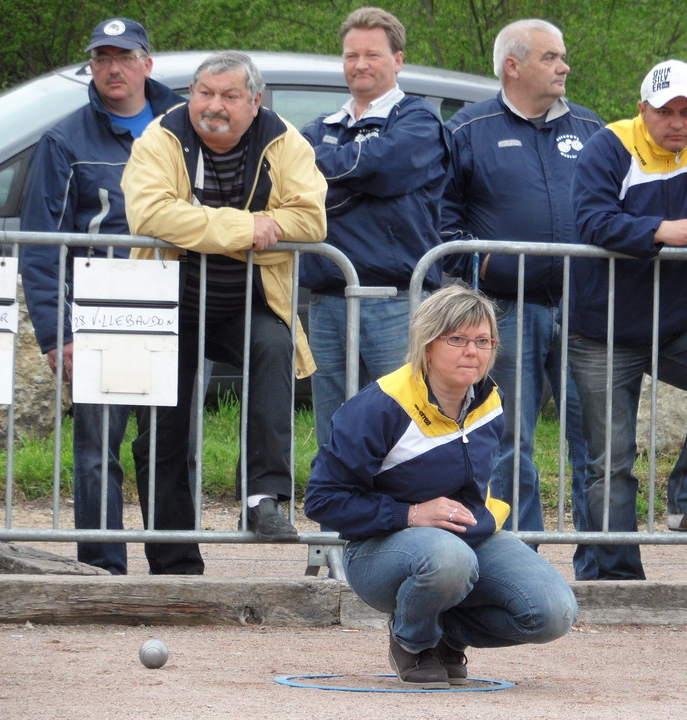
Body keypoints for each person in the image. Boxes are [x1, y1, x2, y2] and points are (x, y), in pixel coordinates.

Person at [304, 285, 577, 689]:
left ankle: (445, 634)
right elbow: (322, 500)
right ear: (427, 345)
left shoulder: (490, 401)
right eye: (458, 340)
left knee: (554, 613)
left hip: (470, 538)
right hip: (380, 549)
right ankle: (412, 642)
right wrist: (411, 514)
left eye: (483, 341)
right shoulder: (380, 406)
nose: (473, 351)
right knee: (450, 558)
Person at [121, 51, 327, 572]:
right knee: (162, 433)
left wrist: (198, 228)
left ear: (255, 102)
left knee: (275, 347)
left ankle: (263, 497)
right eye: (205, 93)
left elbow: (310, 221)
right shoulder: (160, 138)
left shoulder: (284, 141)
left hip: (248, 303)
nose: (214, 105)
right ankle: (174, 564)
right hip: (168, 304)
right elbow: (149, 214)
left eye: (230, 96)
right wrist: (248, 229)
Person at [569, 59, 687, 580]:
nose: (676, 122)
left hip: (677, 325)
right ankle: (616, 580)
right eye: (664, 111)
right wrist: (660, 231)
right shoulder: (609, 146)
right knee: (611, 461)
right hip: (601, 332)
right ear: (642, 110)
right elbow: (589, 219)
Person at [19, 18, 183, 575]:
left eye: (125, 57)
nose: (114, 68)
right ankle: (101, 569)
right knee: (96, 452)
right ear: (91, 67)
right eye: (102, 58)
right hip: (99, 319)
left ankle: (175, 567)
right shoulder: (63, 140)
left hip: (176, 313)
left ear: (147, 63)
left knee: (169, 448)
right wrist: (56, 334)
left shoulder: (184, 123)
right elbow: (41, 245)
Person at [441, 18, 603, 579]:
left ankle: (604, 564)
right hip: (507, 312)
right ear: (513, 66)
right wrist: (484, 266)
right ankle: (519, 564)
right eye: (551, 57)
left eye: (562, 56)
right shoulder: (468, 129)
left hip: (586, 311)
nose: (564, 66)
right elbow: (443, 221)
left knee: (597, 441)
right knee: (510, 442)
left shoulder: (591, 128)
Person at [299, 6, 449, 447]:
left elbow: (385, 168)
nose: (360, 64)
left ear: (397, 60)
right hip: (327, 301)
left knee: (401, 425)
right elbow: (294, 180)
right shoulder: (320, 127)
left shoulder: (418, 119)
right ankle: (338, 497)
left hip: (396, 301)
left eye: (372, 55)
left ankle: (400, 497)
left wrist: (330, 177)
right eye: (351, 55)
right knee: (334, 429)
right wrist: (361, 180)